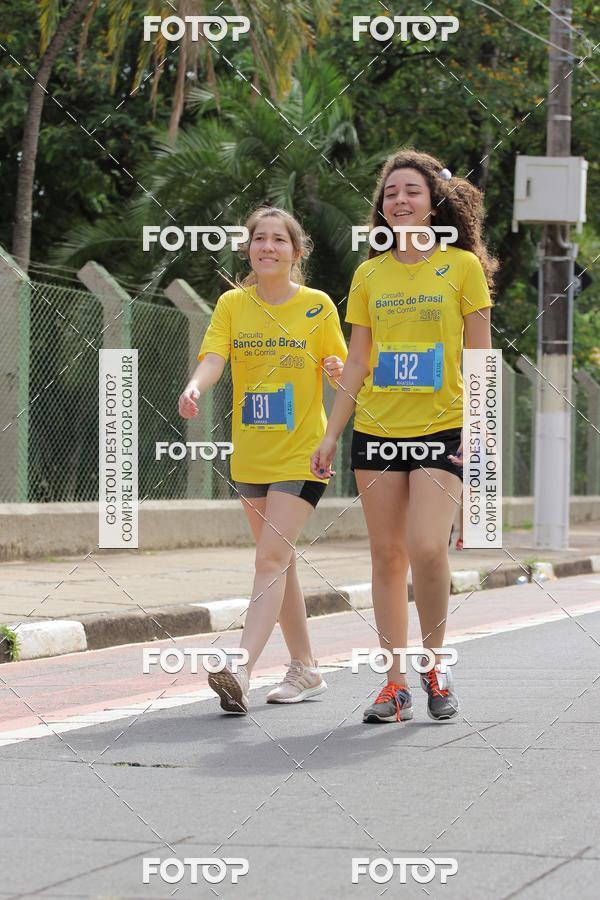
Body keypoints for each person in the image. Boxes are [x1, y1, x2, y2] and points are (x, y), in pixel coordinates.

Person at [311, 148, 497, 723]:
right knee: (387, 556)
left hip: (444, 427)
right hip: (375, 428)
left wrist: (482, 433)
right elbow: (359, 359)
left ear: (433, 202)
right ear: (382, 206)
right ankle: (392, 685)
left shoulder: (462, 267)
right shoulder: (370, 273)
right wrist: (329, 434)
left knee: (424, 547)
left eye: (412, 191)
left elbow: (480, 356)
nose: (400, 200)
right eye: (391, 193)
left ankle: (434, 662)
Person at [179, 207, 347, 714]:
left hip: (302, 452)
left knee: (270, 559)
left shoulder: (318, 307)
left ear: (297, 252)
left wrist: (337, 370)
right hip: (250, 452)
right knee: (281, 563)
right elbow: (214, 358)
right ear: (249, 249)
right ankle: (307, 669)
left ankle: (242, 669)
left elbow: (343, 373)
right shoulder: (233, 304)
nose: (267, 247)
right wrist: (195, 386)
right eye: (259, 239)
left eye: (279, 240)